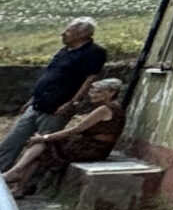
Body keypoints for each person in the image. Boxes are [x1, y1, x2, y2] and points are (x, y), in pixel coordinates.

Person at [0, 20, 107, 172]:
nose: (63, 34)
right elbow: (50, 75)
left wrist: (72, 103)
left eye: (68, 31)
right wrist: (32, 100)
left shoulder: (93, 53)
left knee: (41, 146)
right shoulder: (64, 51)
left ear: (83, 34)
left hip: (57, 107)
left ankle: (26, 184)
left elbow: (90, 79)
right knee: (12, 142)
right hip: (38, 103)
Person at [5, 78, 125, 198]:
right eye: (92, 91)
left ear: (111, 93)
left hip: (93, 148)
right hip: (90, 144)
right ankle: (18, 185)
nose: (92, 94)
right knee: (41, 147)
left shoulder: (105, 109)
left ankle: (15, 172)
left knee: (44, 142)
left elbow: (76, 129)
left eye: (98, 92)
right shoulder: (108, 107)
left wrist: (46, 137)